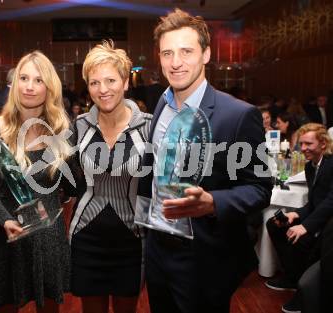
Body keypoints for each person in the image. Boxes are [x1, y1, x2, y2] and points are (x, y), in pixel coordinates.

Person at [136, 9, 273, 313]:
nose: (175, 62)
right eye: (167, 53)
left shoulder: (239, 115)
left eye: (186, 51)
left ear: (206, 54)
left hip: (202, 254)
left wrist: (213, 202)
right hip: (158, 246)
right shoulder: (162, 103)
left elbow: (261, 188)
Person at [0, 50, 76, 313]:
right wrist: (4, 219)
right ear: (14, 83)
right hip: (7, 235)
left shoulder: (61, 131)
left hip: (48, 238)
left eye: (38, 80)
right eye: (24, 78)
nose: (29, 86)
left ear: (49, 87)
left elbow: (74, 187)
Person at [69, 40, 152, 313]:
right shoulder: (78, 127)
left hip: (132, 237)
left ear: (126, 82)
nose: (102, 90)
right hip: (86, 238)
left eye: (110, 80)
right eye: (94, 83)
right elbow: (57, 175)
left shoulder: (149, 127)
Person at [266, 123, 333, 313]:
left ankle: (304, 292)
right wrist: (295, 214)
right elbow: (314, 202)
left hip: (329, 225)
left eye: (308, 144)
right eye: (301, 144)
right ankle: (292, 278)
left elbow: (330, 201)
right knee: (274, 224)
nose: (303, 149)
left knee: (302, 239)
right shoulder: (311, 166)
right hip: (317, 216)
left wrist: (306, 226)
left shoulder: (331, 163)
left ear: (322, 144)